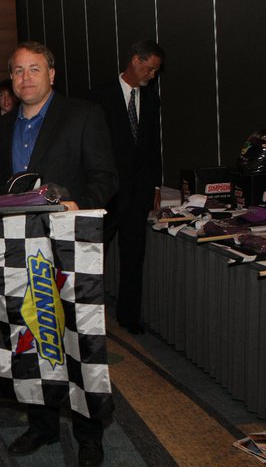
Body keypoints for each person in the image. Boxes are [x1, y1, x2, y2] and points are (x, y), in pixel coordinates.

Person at [0, 42, 117, 467]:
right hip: (18, 250)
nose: (25, 78)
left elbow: (105, 176)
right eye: (18, 70)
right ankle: (41, 426)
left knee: (76, 336)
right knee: (29, 332)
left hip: (68, 248)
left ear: (52, 74)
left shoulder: (83, 115)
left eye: (34, 69)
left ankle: (89, 435)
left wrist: (80, 203)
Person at [88, 40, 164, 335]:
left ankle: (129, 316)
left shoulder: (152, 100)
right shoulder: (99, 96)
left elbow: (153, 146)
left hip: (138, 192)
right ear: (135, 60)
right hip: (107, 193)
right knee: (96, 256)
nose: (152, 75)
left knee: (134, 257)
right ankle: (89, 313)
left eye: (156, 71)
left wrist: (155, 185)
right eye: (150, 68)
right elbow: (91, 147)